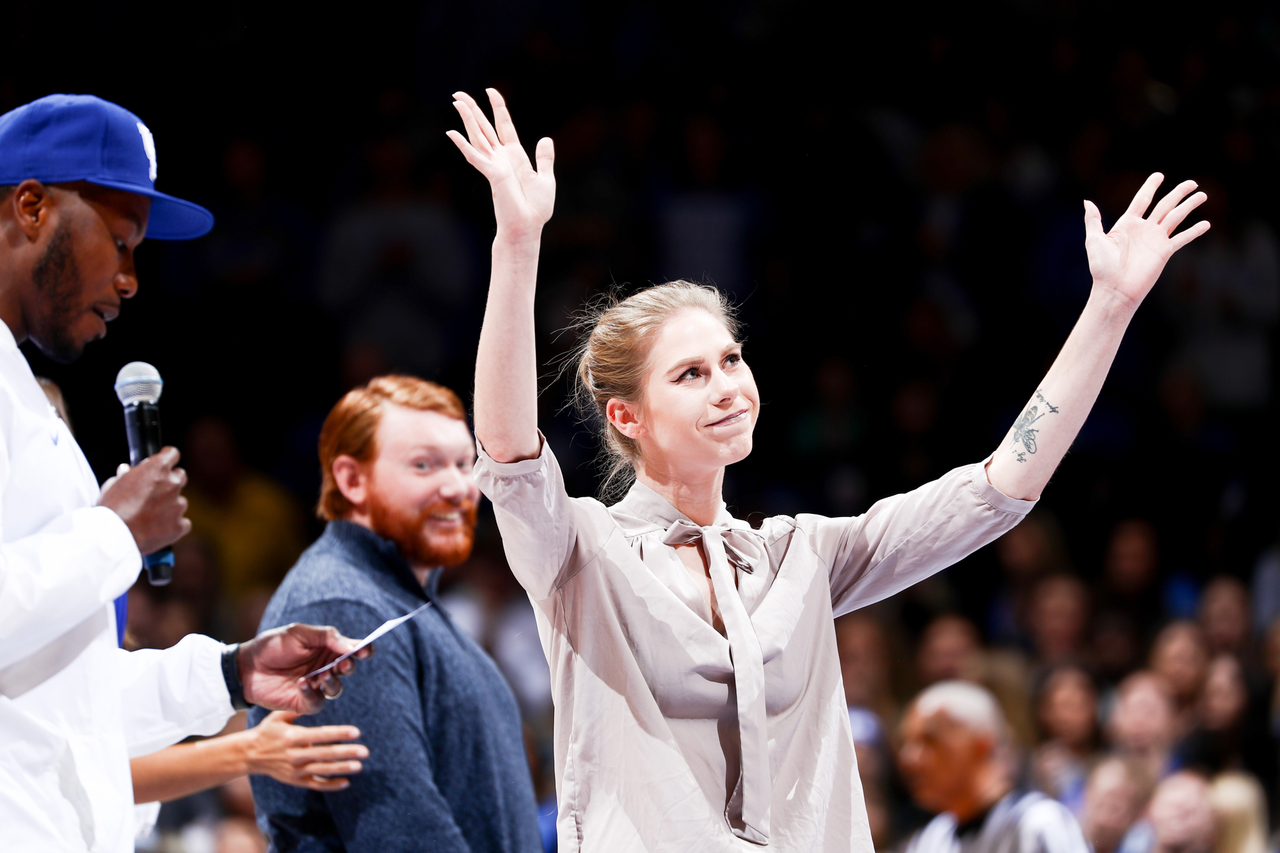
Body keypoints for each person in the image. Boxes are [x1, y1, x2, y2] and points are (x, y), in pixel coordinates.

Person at [449, 87, 1209, 851]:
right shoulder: (581, 553)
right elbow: (509, 453)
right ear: (627, 416)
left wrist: (1109, 305)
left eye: (732, 360)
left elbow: (999, 486)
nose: (728, 386)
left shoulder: (804, 554)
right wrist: (517, 244)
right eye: (691, 374)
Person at [0, 94, 368, 852]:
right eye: (120, 240)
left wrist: (231, 675)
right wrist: (113, 533)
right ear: (31, 206)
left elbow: (71, 699)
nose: (131, 280)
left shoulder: (25, 398)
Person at [250, 375, 542, 852]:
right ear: (351, 480)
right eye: (424, 465)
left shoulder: (395, 598)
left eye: (464, 464)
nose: (456, 487)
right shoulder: (343, 608)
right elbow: (403, 837)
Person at [898, 681, 1090, 853]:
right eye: (908, 743)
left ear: (981, 745)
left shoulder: (1040, 823)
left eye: (929, 741)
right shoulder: (931, 840)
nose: (909, 758)